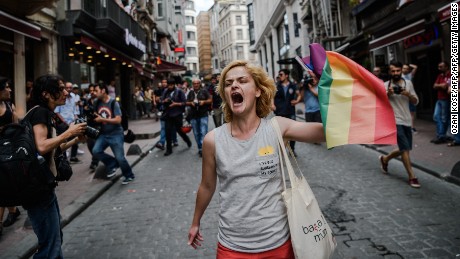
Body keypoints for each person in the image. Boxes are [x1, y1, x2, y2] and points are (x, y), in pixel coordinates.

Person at [187, 60, 325, 257]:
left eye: (242, 80)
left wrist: (325, 86)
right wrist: (195, 222)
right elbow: (207, 186)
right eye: (228, 83)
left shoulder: (277, 127)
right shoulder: (213, 140)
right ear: (225, 94)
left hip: (278, 244)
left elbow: (328, 133)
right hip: (231, 248)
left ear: (258, 91)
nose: (234, 85)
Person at [26, 74, 87, 258]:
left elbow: (51, 150)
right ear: (46, 94)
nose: (66, 92)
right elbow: (42, 145)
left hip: (43, 186)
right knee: (50, 246)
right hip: (37, 188)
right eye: (60, 89)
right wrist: (68, 131)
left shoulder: (44, 113)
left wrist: (74, 139)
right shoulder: (40, 113)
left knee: (54, 240)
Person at [379, 61, 420, 188]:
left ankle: (385, 159)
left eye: (398, 70)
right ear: (390, 72)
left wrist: (408, 94)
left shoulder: (408, 84)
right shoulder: (385, 85)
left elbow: (416, 101)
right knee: (405, 149)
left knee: (405, 148)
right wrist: (388, 94)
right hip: (394, 120)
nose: (396, 73)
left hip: (407, 119)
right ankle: (412, 176)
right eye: (393, 71)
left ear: (401, 70)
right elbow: (380, 102)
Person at [92, 83, 135, 184]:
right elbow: (95, 115)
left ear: (103, 91)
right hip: (103, 134)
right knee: (96, 151)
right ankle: (112, 163)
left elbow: (118, 120)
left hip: (115, 133)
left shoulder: (113, 103)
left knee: (120, 157)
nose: (94, 93)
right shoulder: (96, 102)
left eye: (96, 91)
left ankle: (129, 175)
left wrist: (102, 119)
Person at [0, 78, 21, 236]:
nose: (10, 90)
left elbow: (16, 125)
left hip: (8, 150)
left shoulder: (9, 105)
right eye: (7, 87)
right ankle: (13, 211)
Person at [160, 78, 192, 156]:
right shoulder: (165, 91)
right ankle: (169, 150)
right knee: (168, 132)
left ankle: (187, 140)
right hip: (168, 114)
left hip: (177, 114)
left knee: (179, 130)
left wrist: (175, 104)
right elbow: (161, 101)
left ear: (174, 84)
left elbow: (184, 102)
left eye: (171, 85)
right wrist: (164, 101)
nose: (170, 87)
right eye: (169, 85)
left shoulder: (179, 91)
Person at [273, 68, 301, 156]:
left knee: (294, 131)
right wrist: (272, 105)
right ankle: (280, 151)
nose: (279, 76)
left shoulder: (293, 85)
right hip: (280, 112)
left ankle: (292, 149)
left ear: (286, 75)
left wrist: (297, 101)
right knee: (280, 132)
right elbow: (271, 96)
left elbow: (299, 94)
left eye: (281, 74)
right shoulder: (276, 86)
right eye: (279, 75)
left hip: (290, 111)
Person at [54, 82, 81, 163]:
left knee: (76, 140)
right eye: (67, 87)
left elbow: (74, 109)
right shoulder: (61, 97)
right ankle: (64, 160)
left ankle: (73, 157)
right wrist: (64, 122)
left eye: (70, 87)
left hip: (72, 122)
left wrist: (76, 118)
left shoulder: (73, 96)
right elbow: (57, 112)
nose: (69, 89)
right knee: (63, 142)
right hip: (63, 123)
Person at [186, 78, 212, 157]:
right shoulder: (190, 92)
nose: (196, 85)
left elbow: (210, 100)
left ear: (200, 84)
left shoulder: (204, 91)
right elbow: (186, 102)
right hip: (193, 115)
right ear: (192, 84)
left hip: (203, 114)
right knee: (196, 133)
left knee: (203, 132)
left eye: (197, 83)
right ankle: (200, 147)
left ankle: (203, 149)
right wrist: (191, 103)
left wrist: (204, 102)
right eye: (194, 83)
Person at [154, 79, 177, 149]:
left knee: (172, 127)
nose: (164, 83)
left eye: (165, 82)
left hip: (172, 112)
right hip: (163, 111)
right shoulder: (160, 90)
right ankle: (162, 142)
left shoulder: (174, 90)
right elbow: (157, 98)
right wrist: (157, 100)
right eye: (163, 82)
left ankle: (174, 140)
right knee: (163, 127)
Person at [431, 61, 451, 144]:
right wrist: (440, 85)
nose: (439, 68)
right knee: (436, 116)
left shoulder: (451, 75)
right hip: (439, 99)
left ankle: (441, 136)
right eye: (438, 66)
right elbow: (434, 85)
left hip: (446, 99)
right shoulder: (440, 75)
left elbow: (445, 86)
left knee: (444, 118)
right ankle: (441, 135)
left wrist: (440, 85)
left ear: (446, 67)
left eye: (441, 67)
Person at [402, 63, 418, 133]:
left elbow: (415, 67)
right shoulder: (399, 76)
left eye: (407, 69)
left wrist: (409, 64)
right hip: (403, 97)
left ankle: (412, 128)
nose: (405, 70)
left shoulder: (409, 75)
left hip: (410, 96)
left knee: (412, 113)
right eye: (404, 68)